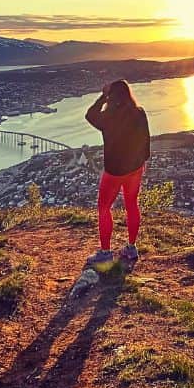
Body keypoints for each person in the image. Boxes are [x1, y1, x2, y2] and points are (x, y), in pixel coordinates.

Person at [84, 79, 150, 264]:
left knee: (104, 207)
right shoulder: (138, 113)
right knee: (132, 204)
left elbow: (90, 115)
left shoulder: (107, 117)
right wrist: (142, 161)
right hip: (135, 167)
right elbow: (146, 139)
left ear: (111, 97)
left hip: (114, 170)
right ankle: (131, 248)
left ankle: (105, 252)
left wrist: (103, 96)